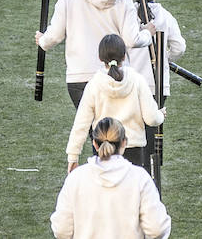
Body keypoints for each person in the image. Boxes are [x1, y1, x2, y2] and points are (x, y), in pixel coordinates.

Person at [36, 0, 154, 107]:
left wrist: (43, 41)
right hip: (115, 76)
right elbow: (132, 40)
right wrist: (148, 33)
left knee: (96, 131)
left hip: (79, 77)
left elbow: (55, 35)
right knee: (115, 131)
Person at [50, 117, 172, 239]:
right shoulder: (140, 178)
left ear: (95, 144)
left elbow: (61, 229)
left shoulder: (76, 178)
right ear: (124, 142)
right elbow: (157, 228)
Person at [66, 34, 164, 172]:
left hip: (103, 147)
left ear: (101, 58)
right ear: (124, 56)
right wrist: (161, 115)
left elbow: (81, 123)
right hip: (134, 147)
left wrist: (73, 156)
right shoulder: (137, 80)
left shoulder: (94, 84)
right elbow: (152, 118)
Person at [126, 0, 184, 138]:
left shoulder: (127, 15)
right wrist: (165, 58)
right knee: (152, 134)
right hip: (156, 84)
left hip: (131, 83)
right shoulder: (166, 16)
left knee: (131, 131)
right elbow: (179, 47)